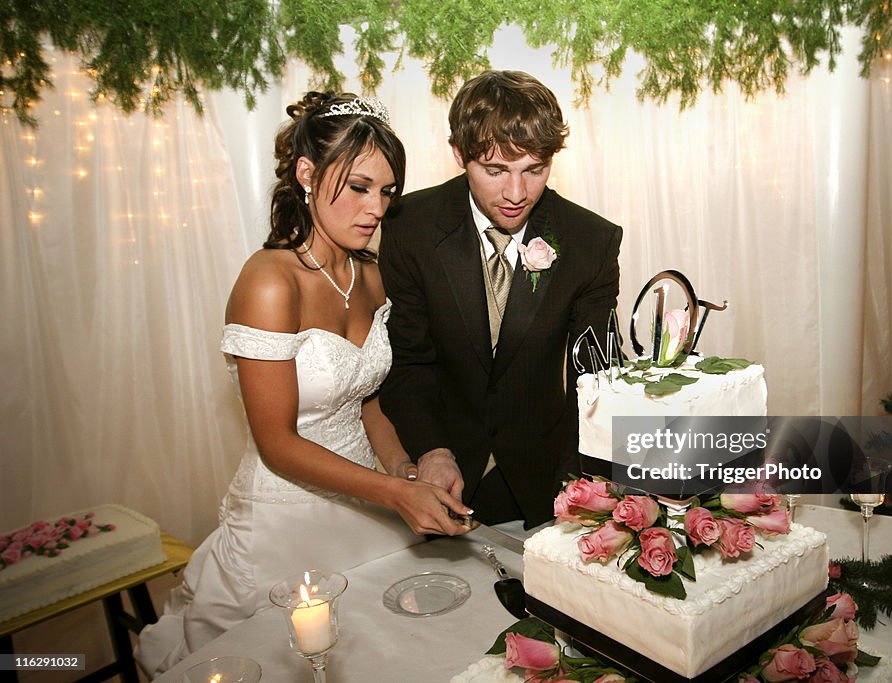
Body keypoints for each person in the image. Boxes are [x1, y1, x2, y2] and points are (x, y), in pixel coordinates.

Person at [135, 92, 472, 677]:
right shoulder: (269, 281)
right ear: (307, 174)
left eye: (387, 192)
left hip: (368, 502)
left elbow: (365, 398)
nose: (376, 208)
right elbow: (277, 442)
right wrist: (391, 493)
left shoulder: (368, 273)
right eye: (361, 186)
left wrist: (402, 470)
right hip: (286, 519)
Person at [379, 70, 622, 530]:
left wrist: (581, 484)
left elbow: (595, 376)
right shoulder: (409, 226)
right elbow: (408, 358)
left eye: (535, 169)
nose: (516, 194)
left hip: (545, 476)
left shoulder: (591, 241)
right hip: (443, 472)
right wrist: (431, 450)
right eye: (495, 171)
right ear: (458, 154)